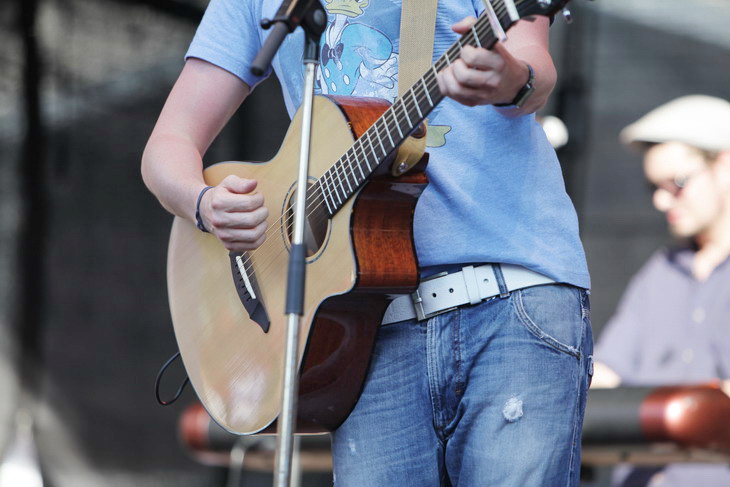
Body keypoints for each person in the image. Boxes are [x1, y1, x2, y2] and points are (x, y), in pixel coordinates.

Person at [141, 1, 592, 485]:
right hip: (365, 327)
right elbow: (168, 144)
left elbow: (534, 69)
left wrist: (512, 80)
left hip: (509, 298)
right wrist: (204, 204)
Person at [592, 95, 730, 487]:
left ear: (725, 166)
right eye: (653, 186)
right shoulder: (660, 272)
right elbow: (605, 373)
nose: (660, 199)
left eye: (677, 183)